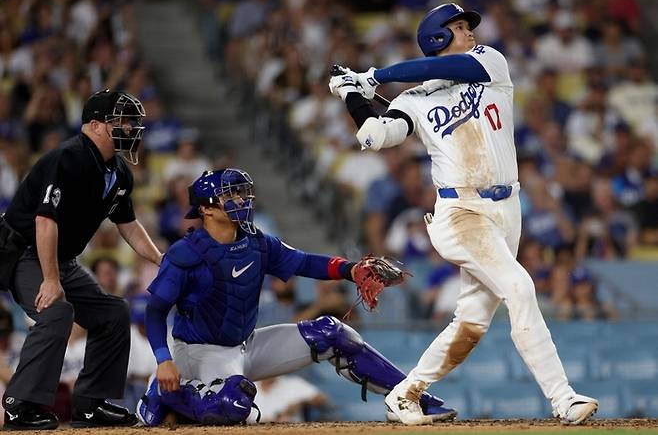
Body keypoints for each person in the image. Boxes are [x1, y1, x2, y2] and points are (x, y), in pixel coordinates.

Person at [328, 3, 598, 426]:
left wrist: (374, 76)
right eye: (457, 27)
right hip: (460, 211)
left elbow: (444, 66)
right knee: (520, 288)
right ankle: (563, 398)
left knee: (472, 319)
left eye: (466, 26)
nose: (469, 31)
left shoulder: (489, 62)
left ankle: (405, 393)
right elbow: (375, 136)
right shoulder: (413, 99)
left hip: (508, 207)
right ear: (436, 36)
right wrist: (351, 94)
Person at [135, 168, 456, 426]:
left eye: (242, 191)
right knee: (233, 405)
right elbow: (155, 311)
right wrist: (164, 360)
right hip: (199, 352)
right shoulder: (186, 253)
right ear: (205, 208)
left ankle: (410, 399)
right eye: (229, 194)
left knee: (332, 333)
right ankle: (165, 396)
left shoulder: (257, 242)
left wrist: (351, 270)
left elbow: (304, 262)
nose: (241, 198)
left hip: (246, 344)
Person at [0, 90, 163, 430]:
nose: (130, 128)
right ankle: (20, 404)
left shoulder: (118, 172)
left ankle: (90, 404)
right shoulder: (68, 158)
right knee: (56, 311)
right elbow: (45, 221)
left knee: (113, 312)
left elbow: (129, 227)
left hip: (59, 257)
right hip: (21, 251)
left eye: (131, 122)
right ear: (95, 125)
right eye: (121, 121)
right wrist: (50, 279)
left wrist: (161, 259)